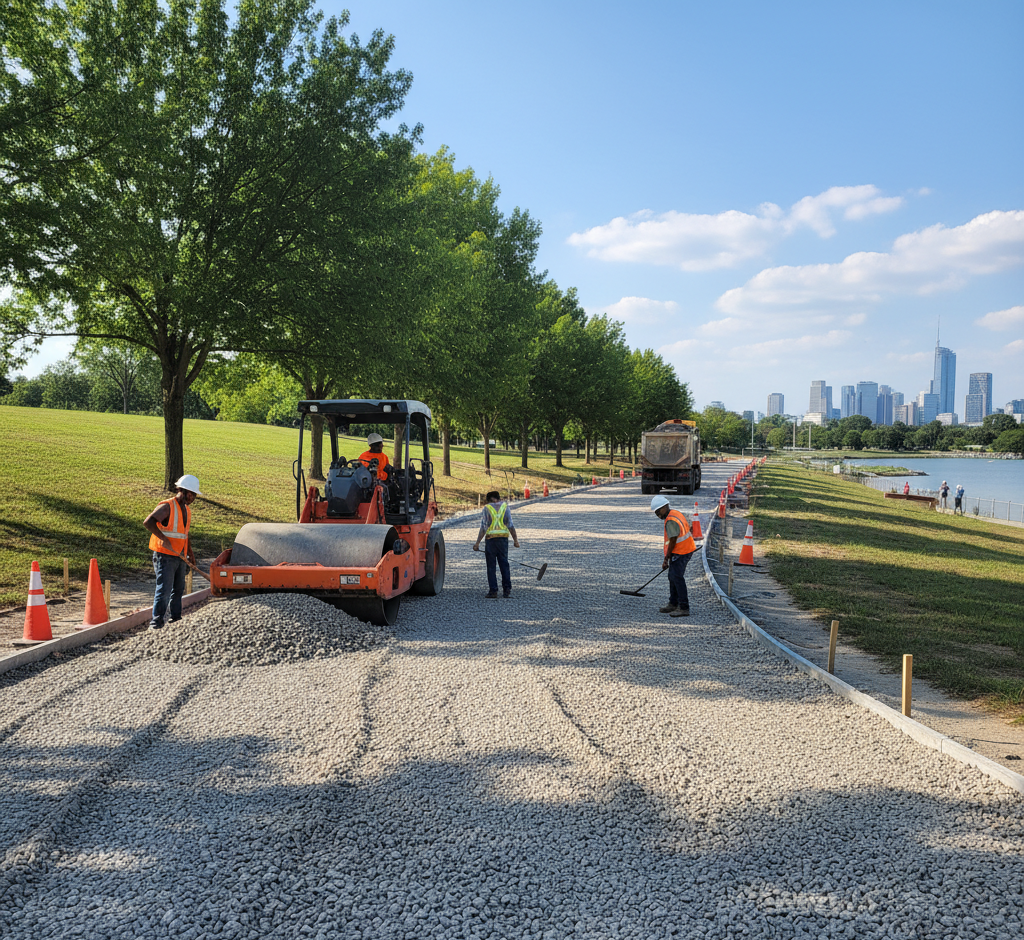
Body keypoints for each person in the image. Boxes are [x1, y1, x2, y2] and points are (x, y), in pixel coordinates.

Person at [143, 474, 202, 630]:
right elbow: (148, 522)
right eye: (191, 494)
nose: (193, 498)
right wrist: (163, 538)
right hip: (165, 556)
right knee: (164, 590)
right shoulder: (168, 506)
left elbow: (184, 535)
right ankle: (156, 623)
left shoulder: (187, 510)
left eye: (194, 495)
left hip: (180, 557)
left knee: (178, 590)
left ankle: (176, 620)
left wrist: (191, 554)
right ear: (181, 490)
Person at [651, 495, 698, 617]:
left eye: (658, 511)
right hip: (684, 549)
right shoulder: (675, 513)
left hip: (682, 552)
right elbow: (690, 525)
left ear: (664, 507)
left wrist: (666, 558)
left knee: (677, 577)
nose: (657, 515)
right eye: (656, 512)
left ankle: (683, 607)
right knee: (672, 576)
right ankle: (673, 603)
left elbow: (672, 540)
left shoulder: (671, 520)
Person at [472, 490, 520, 598]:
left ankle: (493, 591)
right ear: (498, 498)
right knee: (504, 564)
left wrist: (477, 543)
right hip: (503, 540)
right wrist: (516, 541)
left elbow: (484, 526)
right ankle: (507, 590)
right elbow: (510, 525)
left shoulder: (487, 508)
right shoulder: (505, 507)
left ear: (491, 499)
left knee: (491, 566)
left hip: (491, 540)